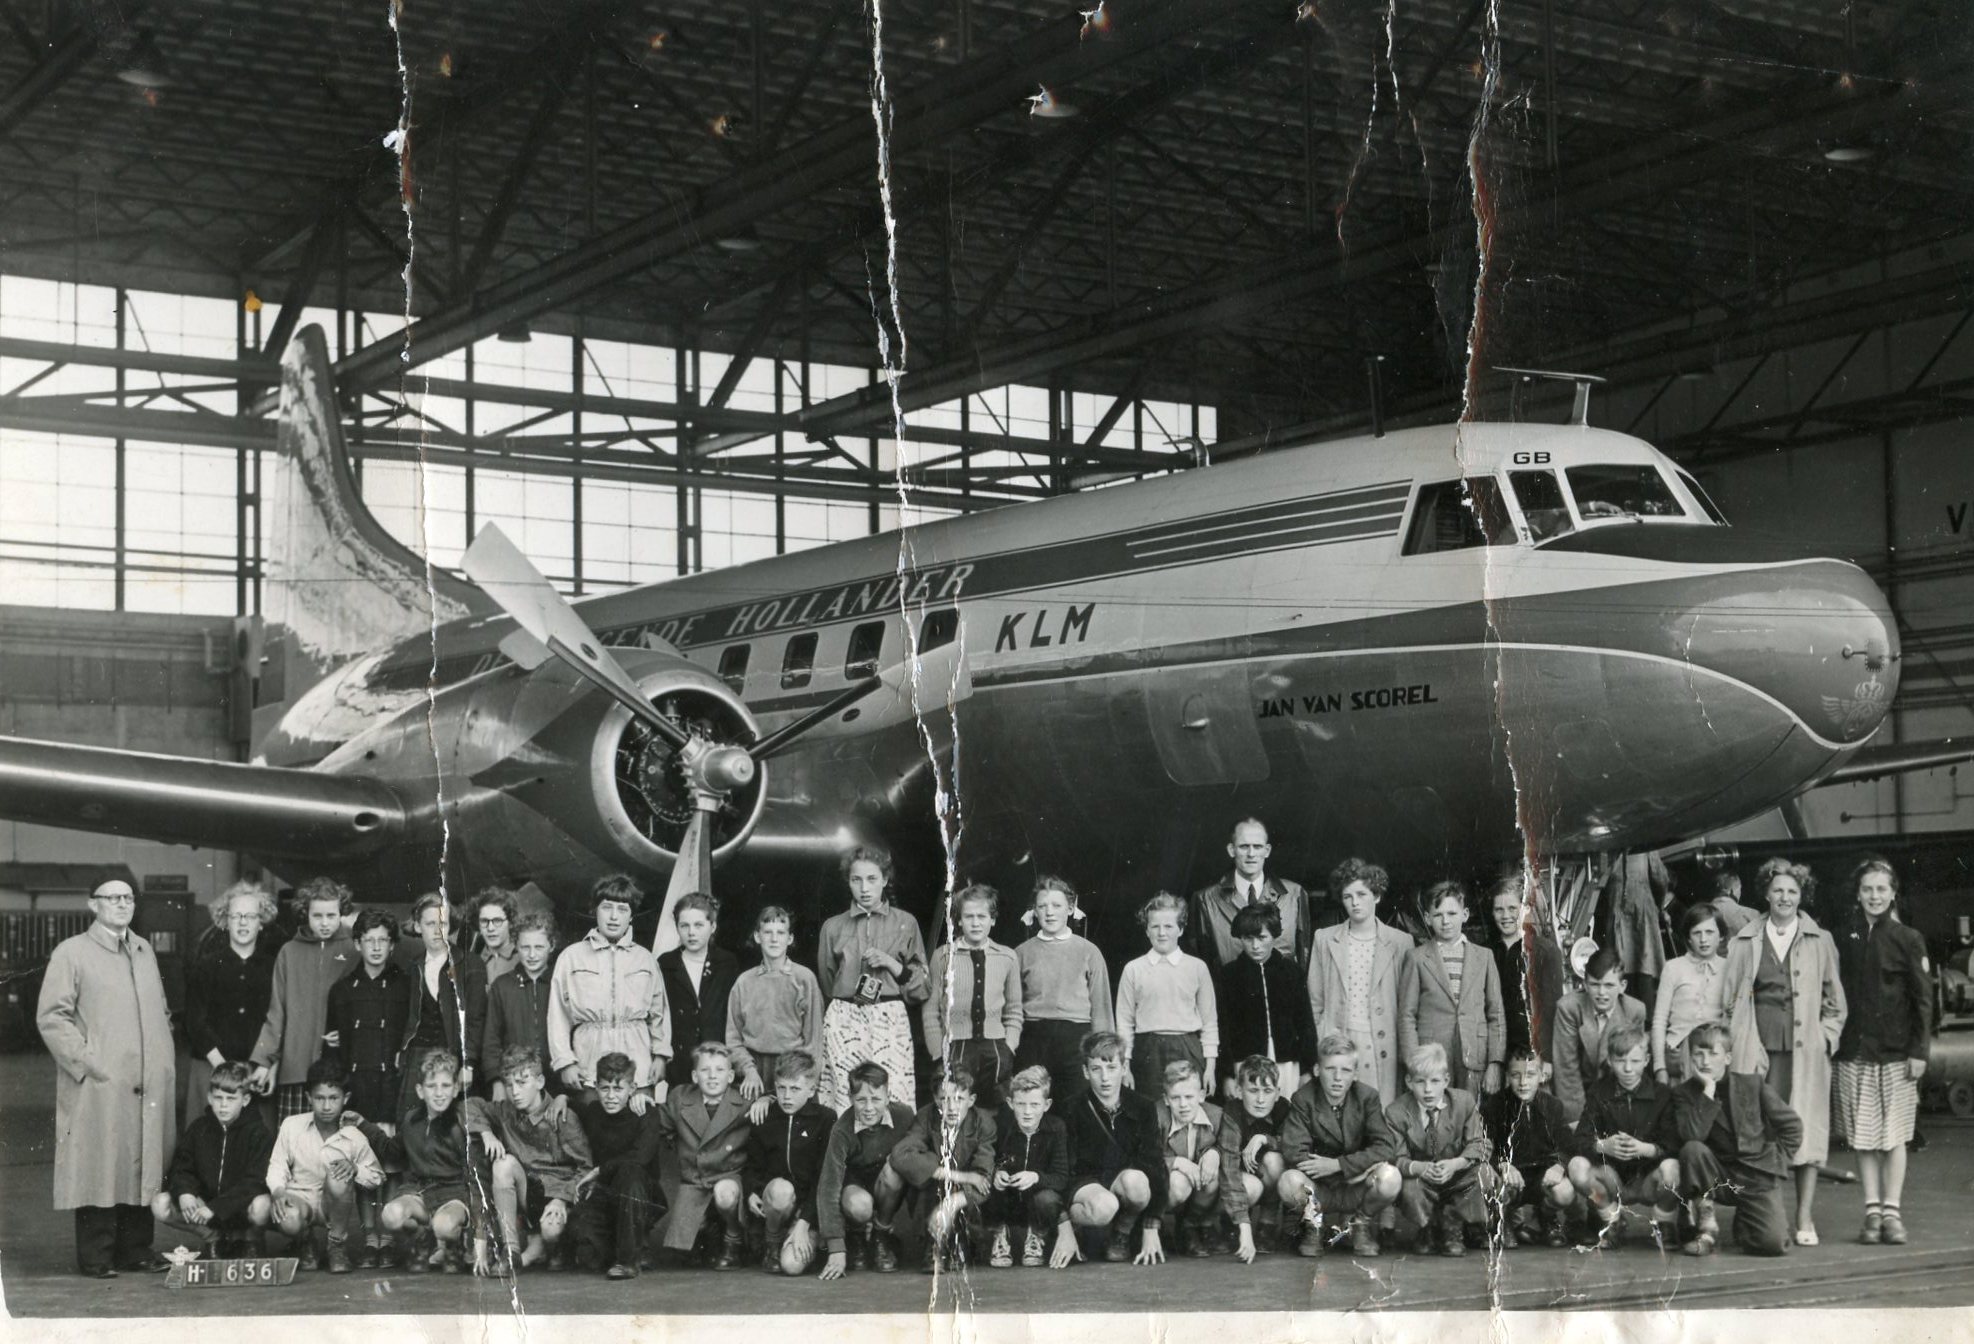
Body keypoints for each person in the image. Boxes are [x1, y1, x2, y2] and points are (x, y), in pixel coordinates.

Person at [36, 877, 176, 1278]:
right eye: (112, 898)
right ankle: (96, 1255)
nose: (121, 904)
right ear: (92, 905)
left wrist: (161, 1058)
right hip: (100, 1082)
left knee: (142, 1163)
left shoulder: (144, 950)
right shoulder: (72, 953)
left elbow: (161, 1009)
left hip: (146, 1081)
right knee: (100, 1163)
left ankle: (136, 1250)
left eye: (128, 898)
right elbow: (51, 1016)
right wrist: (87, 1062)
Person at [1720, 857, 1846, 1246]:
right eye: (1778, 890)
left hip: (1805, 1051)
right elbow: (1728, 999)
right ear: (1766, 893)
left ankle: (1804, 1216)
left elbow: (1834, 999)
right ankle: (1759, 1214)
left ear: (1801, 894)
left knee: (1805, 1129)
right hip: (1755, 1049)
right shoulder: (1744, 939)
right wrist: (1736, 1041)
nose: (1785, 897)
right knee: (1756, 1132)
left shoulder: (1819, 939)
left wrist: (1828, 1035)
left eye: (1792, 891)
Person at [1833, 857, 1933, 1247]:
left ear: (1893, 894)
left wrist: (1919, 1050)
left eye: (1881, 889)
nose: (1874, 896)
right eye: (1867, 889)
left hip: (1896, 1054)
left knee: (1893, 1136)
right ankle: (1871, 1212)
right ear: (1858, 895)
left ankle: (1892, 1213)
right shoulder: (1844, 936)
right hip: (1855, 1050)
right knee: (1862, 1135)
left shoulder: (1908, 938)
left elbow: (1924, 1000)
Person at [1668, 1020, 1802, 1257]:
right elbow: (1692, 1135)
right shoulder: (1683, 1093)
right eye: (1698, 1054)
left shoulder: (1752, 1084)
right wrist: (1708, 1092)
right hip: (1716, 1175)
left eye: (1713, 1054)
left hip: (1756, 1174)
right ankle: (1706, 1227)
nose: (1705, 1061)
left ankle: (1745, 1222)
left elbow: (1792, 1126)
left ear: (1728, 1058)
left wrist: (1775, 1162)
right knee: (1693, 1149)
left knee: (1773, 1244)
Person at [817, 847, 928, 1112]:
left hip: (889, 1017)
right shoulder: (833, 927)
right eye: (857, 880)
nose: (864, 888)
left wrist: (892, 964)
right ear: (848, 881)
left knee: (892, 1096)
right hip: (845, 1016)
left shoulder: (906, 922)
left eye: (872, 879)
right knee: (845, 1096)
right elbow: (827, 979)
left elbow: (922, 986)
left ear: (885, 880)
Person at [467, 1046, 594, 1272]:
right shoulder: (506, 1110)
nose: (515, 1091)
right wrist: (486, 1133)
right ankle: (511, 1251)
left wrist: (562, 1199)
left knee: (551, 1230)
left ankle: (552, 1248)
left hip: (558, 1194)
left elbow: (586, 1169)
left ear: (540, 1082)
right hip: (528, 1193)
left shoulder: (562, 1117)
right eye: (509, 1084)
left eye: (522, 1082)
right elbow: (469, 1105)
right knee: (502, 1163)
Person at [1276, 1034, 1401, 1259]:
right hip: (1320, 1188)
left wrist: (1339, 1165)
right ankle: (1313, 1224)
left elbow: (1385, 1146)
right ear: (1316, 1070)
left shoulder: (1367, 1097)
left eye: (1345, 1070)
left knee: (1391, 1177)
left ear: (1355, 1074)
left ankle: (1359, 1222)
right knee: (1288, 1182)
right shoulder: (1303, 1099)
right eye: (1330, 1068)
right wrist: (1331, 1171)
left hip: (1354, 1185)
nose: (1337, 1078)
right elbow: (1294, 1150)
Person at [551, 874, 672, 1101]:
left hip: (639, 1069)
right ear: (595, 910)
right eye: (607, 907)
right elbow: (558, 1015)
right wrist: (565, 1062)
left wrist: (660, 1056)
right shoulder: (571, 958)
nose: (614, 917)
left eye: (622, 909)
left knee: (640, 1128)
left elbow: (659, 1013)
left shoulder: (645, 959)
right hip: (589, 1068)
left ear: (631, 916)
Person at [1307, 857, 1413, 1105]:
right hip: (1339, 1036)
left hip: (1383, 1041)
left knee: (1381, 1109)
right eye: (1347, 896)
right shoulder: (1325, 939)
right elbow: (1315, 1001)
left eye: (1362, 894)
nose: (1355, 902)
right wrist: (1322, 1041)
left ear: (1376, 896)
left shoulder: (1401, 942)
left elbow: (1407, 1003)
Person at [375, 1050, 491, 1274]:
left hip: (455, 1196)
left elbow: (479, 1184)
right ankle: (422, 1239)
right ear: (420, 1091)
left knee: (444, 1225)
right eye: (431, 1086)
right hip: (421, 1192)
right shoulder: (412, 1121)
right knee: (391, 1215)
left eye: (446, 1086)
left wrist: (481, 1245)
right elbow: (392, 1150)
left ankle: (454, 1244)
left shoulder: (462, 1124)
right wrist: (363, 1126)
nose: (439, 1093)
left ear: (456, 1088)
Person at [265, 1056, 386, 1272]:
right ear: (308, 1098)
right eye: (319, 1098)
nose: (327, 1106)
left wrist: (356, 1169)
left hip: (332, 1206)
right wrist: (278, 1192)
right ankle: (304, 1240)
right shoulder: (291, 1126)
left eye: (333, 1098)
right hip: (299, 1199)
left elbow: (377, 1177)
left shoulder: (353, 1136)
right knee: (289, 1220)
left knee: (338, 1174)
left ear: (345, 1098)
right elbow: (277, 1165)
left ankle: (336, 1245)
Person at [249, 877, 356, 1117]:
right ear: (305, 914)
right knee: (295, 1146)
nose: (325, 923)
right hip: (295, 1070)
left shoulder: (352, 951)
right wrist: (264, 1061)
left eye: (331, 915)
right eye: (317, 916)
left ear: (342, 913)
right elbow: (276, 1012)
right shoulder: (289, 952)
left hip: (338, 1071)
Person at [1567, 1024, 1680, 1246]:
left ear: (1647, 1060)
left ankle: (1664, 1222)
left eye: (1635, 1061)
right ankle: (1611, 1219)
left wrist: (1647, 1149)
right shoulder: (1598, 1092)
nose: (1628, 1069)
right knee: (1577, 1167)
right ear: (1609, 1061)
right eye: (1620, 1061)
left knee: (1674, 1168)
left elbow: (1675, 1142)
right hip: (1613, 1178)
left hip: (1649, 1177)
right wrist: (1602, 1146)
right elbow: (1580, 1139)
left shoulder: (1662, 1094)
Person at [1061, 1030, 1167, 1266]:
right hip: (1086, 1184)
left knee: (1137, 1183)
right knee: (1104, 1206)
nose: (1105, 1078)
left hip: (1120, 1179)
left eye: (1111, 1068)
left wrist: (1152, 1225)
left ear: (1124, 1068)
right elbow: (1064, 1167)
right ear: (1085, 1072)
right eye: (1096, 1069)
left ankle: (1123, 1231)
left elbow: (1155, 1165)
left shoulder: (1143, 1107)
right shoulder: (1073, 1108)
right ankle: (1077, 1226)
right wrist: (1064, 1224)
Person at [151, 1061, 275, 1259]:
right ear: (209, 1097)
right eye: (218, 1098)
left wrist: (216, 1208)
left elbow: (256, 1181)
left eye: (231, 1098)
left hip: (240, 1208)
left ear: (245, 1099)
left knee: (262, 1205)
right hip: (206, 1208)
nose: (223, 1105)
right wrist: (185, 1193)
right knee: (161, 1204)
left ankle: (251, 1239)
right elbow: (181, 1168)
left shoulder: (258, 1133)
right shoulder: (199, 1128)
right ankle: (213, 1238)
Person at [181, 881, 279, 1127]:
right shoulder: (206, 965)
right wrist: (222, 1067)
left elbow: (278, 1017)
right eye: (236, 916)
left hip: (256, 1072)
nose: (243, 922)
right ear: (225, 920)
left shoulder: (274, 967)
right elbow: (194, 1020)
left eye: (250, 916)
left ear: (261, 920)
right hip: (210, 1068)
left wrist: (267, 1065)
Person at [887, 1064, 999, 1273]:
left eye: (959, 1099)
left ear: (971, 1100)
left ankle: (962, 1241)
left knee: (969, 1195)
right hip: (934, 1193)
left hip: (966, 1200)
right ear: (935, 1100)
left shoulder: (984, 1123)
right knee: (928, 1172)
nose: (951, 1107)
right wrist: (958, 1175)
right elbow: (901, 1154)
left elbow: (983, 1178)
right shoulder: (926, 1116)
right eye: (944, 1099)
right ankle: (934, 1246)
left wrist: (950, 1205)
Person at [1013, 876, 1113, 1105]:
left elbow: (1101, 1009)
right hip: (1033, 1039)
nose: (1049, 912)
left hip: (1076, 1040)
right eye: (1042, 906)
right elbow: (1012, 1007)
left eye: (1057, 906)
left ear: (1070, 908)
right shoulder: (1020, 953)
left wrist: (1104, 1056)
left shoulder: (1089, 952)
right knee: (1032, 1104)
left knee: (1076, 1106)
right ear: (1034, 911)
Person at [1399, 880, 1505, 1097]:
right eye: (1438, 915)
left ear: (1465, 914)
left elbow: (1496, 1013)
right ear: (1427, 918)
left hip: (1474, 1056)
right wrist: (1414, 1061)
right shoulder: (1417, 958)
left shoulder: (1484, 956)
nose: (1445, 921)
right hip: (1432, 1059)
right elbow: (1406, 1015)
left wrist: (1495, 1062)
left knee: (1470, 1116)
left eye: (1452, 913)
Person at [652, 1042, 754, 1267]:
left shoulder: (744, 1101)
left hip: (729, 1178)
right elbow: (657, 1124)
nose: (712, 1076)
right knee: (688, 1251)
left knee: (724, 1195)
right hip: (695, 1181)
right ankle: (709, 1232)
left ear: (730, 1076)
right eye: (705, 1070)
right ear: (694, 1076)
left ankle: (733, 1238)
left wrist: (767, 1099)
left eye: (719, 1070)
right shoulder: (680, 1098)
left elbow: (772, 1109)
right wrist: (643, 1100)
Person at [1387, 1041, 1492, 1256]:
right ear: (1408, 1081)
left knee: (1485, 1174)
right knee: (1407, 1186)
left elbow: (1480, 1144)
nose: (1428, 1089)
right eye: (1420, 1082)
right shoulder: (1396, 1112)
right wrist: (1420, 1168)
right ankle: (1427, 1227)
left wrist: (1456, 1163)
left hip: (1456, 1176)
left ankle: (1454, 1225)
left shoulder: (1463, 1102)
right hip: (1422, 1179)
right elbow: (1394, 1157)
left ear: (1446, 1080)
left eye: (1435, 1081)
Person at [924, 883, 1024, 1110]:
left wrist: (1009, 1046)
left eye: (982, 916)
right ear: (959, 921)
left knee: (996, 1107)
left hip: (996, 1048)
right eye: (969, 917)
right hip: (956, 1047)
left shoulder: (1007, 957)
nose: (976, 923)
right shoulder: (943, 956)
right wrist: (937, 1052)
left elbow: (1014, 1010)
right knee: (956, 1106)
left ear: (993, 919)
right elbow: (931, 1010)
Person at [1187, 819, 1318, 988]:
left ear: (1267, 850)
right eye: (1243, 846)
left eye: (1257, 846)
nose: (1251, 854)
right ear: (1231, 850)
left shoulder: (1294, 894)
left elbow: (1304, 955)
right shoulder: (1205, 899)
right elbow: (1200, 961)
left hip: (1282, 999)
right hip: (1230, 1000)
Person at [570, 1051, 666, 1279]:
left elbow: (641, 1157)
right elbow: (575, 1106)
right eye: (605, 1089)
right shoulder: (593, 1112)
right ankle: (633, 1248)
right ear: (596, 1087)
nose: (611, 1096)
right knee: (587, 1253)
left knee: (630, 1173)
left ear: (632, 1089)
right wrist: (561, 1099)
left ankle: (628, 1262)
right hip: (606, 1194)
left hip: (643, 1195)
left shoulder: (645, 1113)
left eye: (618, 1088)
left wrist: (600, 1170)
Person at [815, 1061, 914, 1278]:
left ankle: (881, 1234)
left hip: (886, 1191)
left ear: (888, 1097)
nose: (869, 1108)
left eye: (876, 1099)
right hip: (855, 1192)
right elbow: (828, 1187)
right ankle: (856, 1236)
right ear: (850, 1099)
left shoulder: (904, 1117)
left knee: (895, 1171)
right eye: (861, 1100)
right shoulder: (842, 1130)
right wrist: (836, 1248)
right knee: (860, 1205)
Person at [1116, 891, 1218, 1097]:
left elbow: (1209, 1022)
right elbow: (1124, 1021)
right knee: (1152, 1111)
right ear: (1147, 930)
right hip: (1148, 1051)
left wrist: (1210, 1068)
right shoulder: (1133, 969)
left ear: (1180, 929)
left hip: (1187, 1047)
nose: (1162, 933)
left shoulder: (1197, 967)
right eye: (1155, 926)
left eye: (1169, 926)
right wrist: (1125, 1065)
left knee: (1186, 1107)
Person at [745, 1050, 835, 1275]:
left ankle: (811, 1239)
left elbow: (824, 1179)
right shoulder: (765, 1115)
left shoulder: (825, 1119)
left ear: (811, 1090)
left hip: (807, 1210)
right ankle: (772, 1243)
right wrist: (751, 1191)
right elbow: (751, 1164)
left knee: (792, 1266)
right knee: (780, 1189)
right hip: (776, 1204)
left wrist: (804, 1223)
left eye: (795, 1089)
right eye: (781, 1088)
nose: (786, 1096)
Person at [1155, 1059, 1254, 1262]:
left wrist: (1245, 1227)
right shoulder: (1156, 1117)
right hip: (1168, 1188)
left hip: (1199, 1192)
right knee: (1177, 1182)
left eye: (1189, 1097)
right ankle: (1153, 1227)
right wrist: (1177, 1163)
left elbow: (1230, 1169)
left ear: (1201, 1095)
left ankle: (1191, 1226)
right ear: (1165, 1099)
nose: (1183, 1105)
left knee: (1217, 1177)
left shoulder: (1217, 1116)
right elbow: (1143, 1161)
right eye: (1175, 1098)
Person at [1216, 903, 1318, 1099]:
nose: (1255, 946)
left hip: (1287, 1063)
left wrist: (1306, 1069)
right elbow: (1224, 1027)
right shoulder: (1229, 975)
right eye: (1248, 938)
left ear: (1274, 936)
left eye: (1262, 938)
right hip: (1244, 1062)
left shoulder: (1291, 972)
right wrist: (1227, 1074)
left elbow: (1305, 1023)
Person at [398, 891, 489, 1111]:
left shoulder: (471, 964)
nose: (438, 930)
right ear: (418, 927)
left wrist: (468, 1064)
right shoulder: (413, 966)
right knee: (412, 1123)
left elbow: (476, 1020)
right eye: (430, 923)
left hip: (454, 1054)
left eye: (444, 923)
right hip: (418, 1056)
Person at [726, 905, 826, 1102]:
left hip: (794, 1069)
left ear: (789, 939)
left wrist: (800, 1076)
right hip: (755, 1070)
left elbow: (814, 1040)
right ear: (757, 937)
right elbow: (733, 1038)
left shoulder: (804, 979)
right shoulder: (743, 982)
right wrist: (748, 1070)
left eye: (780, 933)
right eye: (767, 932)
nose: (774, 939)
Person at [1480, 1047, 1574, 1248]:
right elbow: (1484, 1145)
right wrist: (1502, 1163)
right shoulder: (1494, 1106)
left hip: (1542, 1175)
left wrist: (1559, 1166)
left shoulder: (1553, 1105)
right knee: (1493, 1181)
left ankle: (1547, 1216)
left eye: (1530, 1075)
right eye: (1516, 1075)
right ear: (1507, 1076)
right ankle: (1502, 1220)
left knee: (1565, 1192)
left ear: (1542, 1076)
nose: (1523, 1083)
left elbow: (1568, 1144)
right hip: (1511, 1176)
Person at [324, 908, 410, 1127]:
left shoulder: (406, 986)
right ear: (357, 944)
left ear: (392, 945)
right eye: (369, 940)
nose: (376, 947)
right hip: (355, 1093)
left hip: (391, 1091)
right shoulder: (341, 990)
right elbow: (333, 1052)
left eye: (383, 940)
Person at [982, 1065, 1070, 1268]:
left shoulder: (1056, 1128)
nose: (1027, 1112)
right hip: (1008, 1200)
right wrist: (998, 1172)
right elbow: (993, 1159)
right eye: (1021, 1104)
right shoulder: (1001, 1126)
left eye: (1034, 1105)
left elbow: (1061, 1177)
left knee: (1048, 1199)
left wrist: (1036, 1177)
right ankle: (999, 1234)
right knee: (987, 1187)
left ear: (1046, 1105)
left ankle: (1037, 1235)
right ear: (1010, 1103)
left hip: (1036, 1203)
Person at [1551, 947, 1648, 1122]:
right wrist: (1578, 1122)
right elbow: (1567, 1070)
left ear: (1622, 986)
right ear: (1585, 985)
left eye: (1609, 985)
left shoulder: (1635, 1010)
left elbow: (1632, 1068)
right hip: (1580, 1094)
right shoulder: (1569, 1008)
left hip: (1615, 1095)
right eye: (1595, 985)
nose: (1602, 993)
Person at [658, 894, 740, 1090]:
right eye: (684, 926)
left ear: (712, 927)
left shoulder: (727, 963)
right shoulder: (666, 964)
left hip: (717, 1058)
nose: (691, 933)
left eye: (698, 925)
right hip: (681, 1061)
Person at [1485, 876, 1565, 1063]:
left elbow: (1552, 1011)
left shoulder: (1546, 951)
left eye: (1512, 908)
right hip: (1496, 1053)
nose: (1506, 916)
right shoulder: (1485, 951)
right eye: (1499, 909)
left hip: (1533, 1055)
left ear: (1525, 909)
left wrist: (1547, 1060)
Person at [482, 910, 558, 1099]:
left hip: (557, 1081)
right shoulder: (502, 986)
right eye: (525, 947)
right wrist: (497, 1081)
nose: (532, 955)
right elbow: (491, 1039)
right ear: (516, 946)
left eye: (539, 947)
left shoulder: (561, 982)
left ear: (552, 946)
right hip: (515, 1083)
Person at [1653, 904, 1728, 1084]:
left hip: (1712, 1057)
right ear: (1688, 937)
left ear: (1721, 936)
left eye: (1710, 932)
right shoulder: (1673, 968)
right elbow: (1659, 1020)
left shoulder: (1729, 968)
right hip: (1676, 1055)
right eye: (1697, 933)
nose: (1703, 940)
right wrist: (1659, 1067)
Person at [1226, 1055, 1294, 1252]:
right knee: (1250, 1187)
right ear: (1239, 1090)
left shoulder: (1283, 1108)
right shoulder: (1232, 1112)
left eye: (1267, 1091)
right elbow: (1229, 1166)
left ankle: (1268, 1223)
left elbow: (1294, 1144)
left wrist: (1264, 1138)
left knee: (1275, 1160)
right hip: (1242, 1179)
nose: (1261, 1100)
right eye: (1253, 1090)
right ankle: (1233, 1224)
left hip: (1266, 1172)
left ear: (1278, 1092)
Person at [1596, 852, 1670, 1012]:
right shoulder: (1642, 851)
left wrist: (1658, 906)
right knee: (1638, 963)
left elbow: (1661, 879)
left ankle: (1644, 1015)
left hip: (1639, 914)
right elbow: (1661, 880)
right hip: (1629, 913)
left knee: (1641, 962)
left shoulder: (1644, 851)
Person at [471, 887, 522, 985]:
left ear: (510, 922)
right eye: (484, 921)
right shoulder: (473, 961)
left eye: (497, 921)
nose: (490, 928)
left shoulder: (523, 958)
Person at [1709, 872, 1760, 938]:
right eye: (1740, 889)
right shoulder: (1752, 914)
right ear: (1732, 891)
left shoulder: (1700, 912)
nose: (1740, 893)